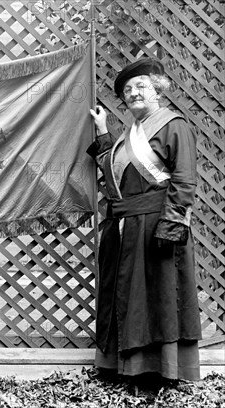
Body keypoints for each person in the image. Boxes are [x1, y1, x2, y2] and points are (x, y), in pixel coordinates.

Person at [87, 58, 202, 386]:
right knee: (131, 298)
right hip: (126, 227)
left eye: (141, 87)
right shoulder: (128, 134)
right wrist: (102, 133)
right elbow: (113, 177)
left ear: (158, 90)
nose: (133, 93)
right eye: (128, 90)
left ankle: (161, 371)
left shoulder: (173, 125)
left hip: (157, 225)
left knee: (159, 296)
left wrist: (172, 225)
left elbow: (184, 179)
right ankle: (128, 368)